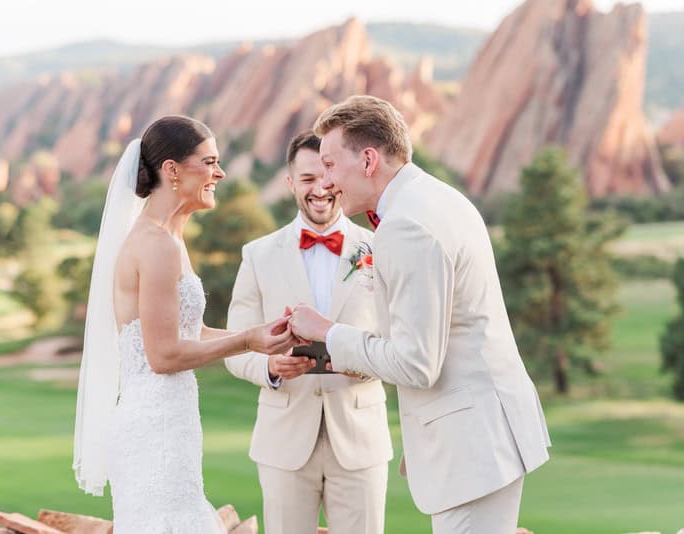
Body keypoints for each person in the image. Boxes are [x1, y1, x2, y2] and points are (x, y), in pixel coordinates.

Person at [288, 96, 551, 534]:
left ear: (369, 159)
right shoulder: (439, 198)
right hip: (484, 434)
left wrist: (329, 333)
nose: (328, 182)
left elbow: (416, 364)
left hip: (471, 449)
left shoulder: (405, 225)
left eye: (331, 165)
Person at [73, 115, 299, 533]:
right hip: (154, 430)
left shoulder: (170, 238)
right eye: (209, 161)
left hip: (169, 424)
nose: (221, 172)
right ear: (172, 170)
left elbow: (185, 331)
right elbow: (163, 355)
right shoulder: (155, 244)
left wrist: (262, 334)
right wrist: (248, 339)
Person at [225, 131, 392, 534]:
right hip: (283, 442)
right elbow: (234, 346)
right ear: (289, 183)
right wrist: (270, 367)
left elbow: (402, 339)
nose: (320, 189)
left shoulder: (380, 247)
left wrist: (364, 364)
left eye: (327, 176)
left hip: (359, 439)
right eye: (306, 179)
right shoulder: (258, 255)